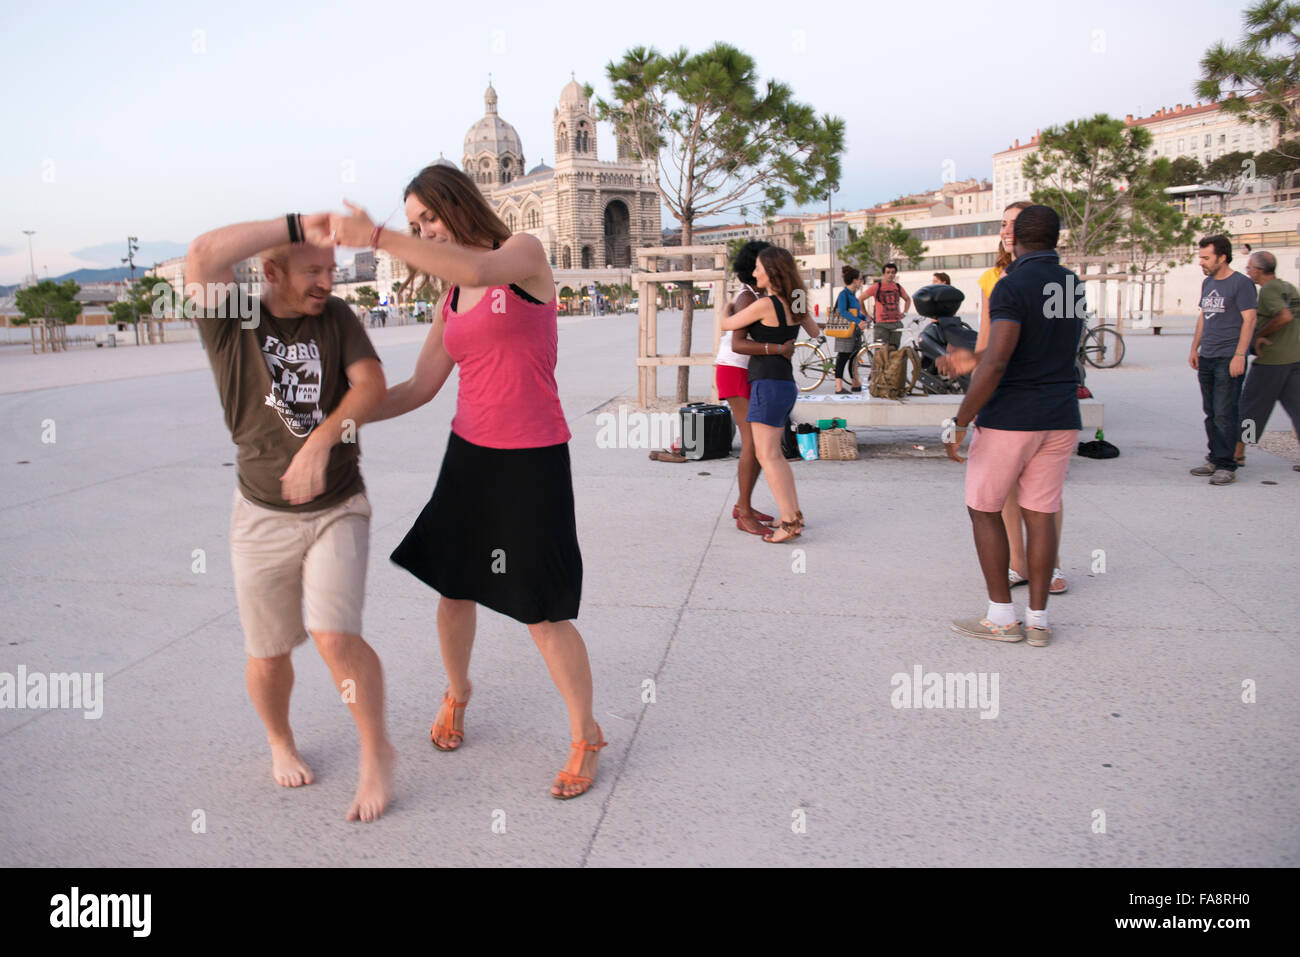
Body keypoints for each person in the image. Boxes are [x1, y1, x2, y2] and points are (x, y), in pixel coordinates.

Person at [329, 164, 605, 799]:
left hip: (532, 457)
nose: (425, 231)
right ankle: (458, 693)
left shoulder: (521, 256)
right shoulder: (449, 298)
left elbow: (481, 270)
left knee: (541, 610)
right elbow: (421, 388)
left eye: (429, 218)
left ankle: (585, 732)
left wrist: (376, 236)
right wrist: (346, 414)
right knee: (454, 590)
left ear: (458, 204)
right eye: (415, 225)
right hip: (469, 456)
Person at [185, 212, 395, 822]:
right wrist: (297, 220)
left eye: (331, 269)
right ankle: (279, 738)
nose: (327, 281)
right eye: (313, 270)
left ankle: (375, 748)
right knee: (269, 651)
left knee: (334, 635)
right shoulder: (235, 321)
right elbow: (202, 253)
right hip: (260, 511)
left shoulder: (337, 318)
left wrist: (323, 439)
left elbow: (372, 386)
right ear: (270, 271)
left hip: (338, 505)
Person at [943, 205, 1082, 647]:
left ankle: (1002, 617)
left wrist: (960, 420)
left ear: (1017, 238)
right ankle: (1038, 621)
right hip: (1060, 415)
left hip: (1011, 418)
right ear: (1054, 238)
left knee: (984, 508)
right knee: (1040, 515)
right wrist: (975, 358)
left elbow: (1002, 358)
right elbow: (1038, 346)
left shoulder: (1010, 285)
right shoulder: (1071, 285)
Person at [720, 246, 820, 543]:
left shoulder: (766, 305)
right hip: (786, 384)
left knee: (768, 456)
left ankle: (789, 523)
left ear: (772, 272)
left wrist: (728, 310)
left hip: (766, 383)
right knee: (775, 455)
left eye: (759, 268)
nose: (754, 273)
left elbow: (727, 326)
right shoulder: (796, 301)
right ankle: (793, 515)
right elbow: (814, 332)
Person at [714, 240, 795, 535]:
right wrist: (777, 348)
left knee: (761, 445)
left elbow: (803, 319)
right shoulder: (748, 297)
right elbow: (736, 340)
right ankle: (744, 512)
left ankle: (743, 504)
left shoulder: (767, 296)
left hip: (751, 372)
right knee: (752, 444)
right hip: (735, 369)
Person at [1189, 235, 1257, 485]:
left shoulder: (1241, 284)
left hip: (1229, 357)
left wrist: (1240, 355)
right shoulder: (1208, 283)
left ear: (1222, 257)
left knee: (1225, 412)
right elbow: (1203, 317)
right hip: (1207, 355)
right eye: (1200, 257)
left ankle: (1227, 465)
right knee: (1211, 411)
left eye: (1206, 258)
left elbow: (1250, 320)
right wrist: (1195, 348)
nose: (1201, 262)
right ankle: (1215, 457)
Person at [1239, 250, 1300, 471]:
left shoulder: (1268, 291)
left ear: (1258, 270)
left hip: (1272, 361)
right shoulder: (1289, 287)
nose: (1248, 272)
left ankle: (1238, 452)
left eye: (1249, 268)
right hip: (1294, 358)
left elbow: (1284, 316)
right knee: (1298, 408)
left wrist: (1260, 335)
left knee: (1250, 408)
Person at [860, 262, 912, 359]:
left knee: (894, 353)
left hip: (896, 324)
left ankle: (890, 374)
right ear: (883, 274)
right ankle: (876, 374)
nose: (890, 275)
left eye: (893, 272)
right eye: (888, 272)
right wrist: (866, 315)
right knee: (880, 355)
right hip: (881, 325)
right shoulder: (877, 287)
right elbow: (860, 299)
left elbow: (908, 299)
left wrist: (904, 312)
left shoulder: (898, 287)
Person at [832, 265, 869, 393]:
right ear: (854, 280)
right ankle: (838, 387)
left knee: (853, 357)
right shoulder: (844, 294)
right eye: (860, 279)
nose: (861, 282)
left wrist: (865, 318)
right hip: (845, 331)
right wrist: (859, 321)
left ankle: (855, 383)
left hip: (854, 331)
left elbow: (856, 312)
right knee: (843, 357)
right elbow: (842, 311)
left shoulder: (853, 295)